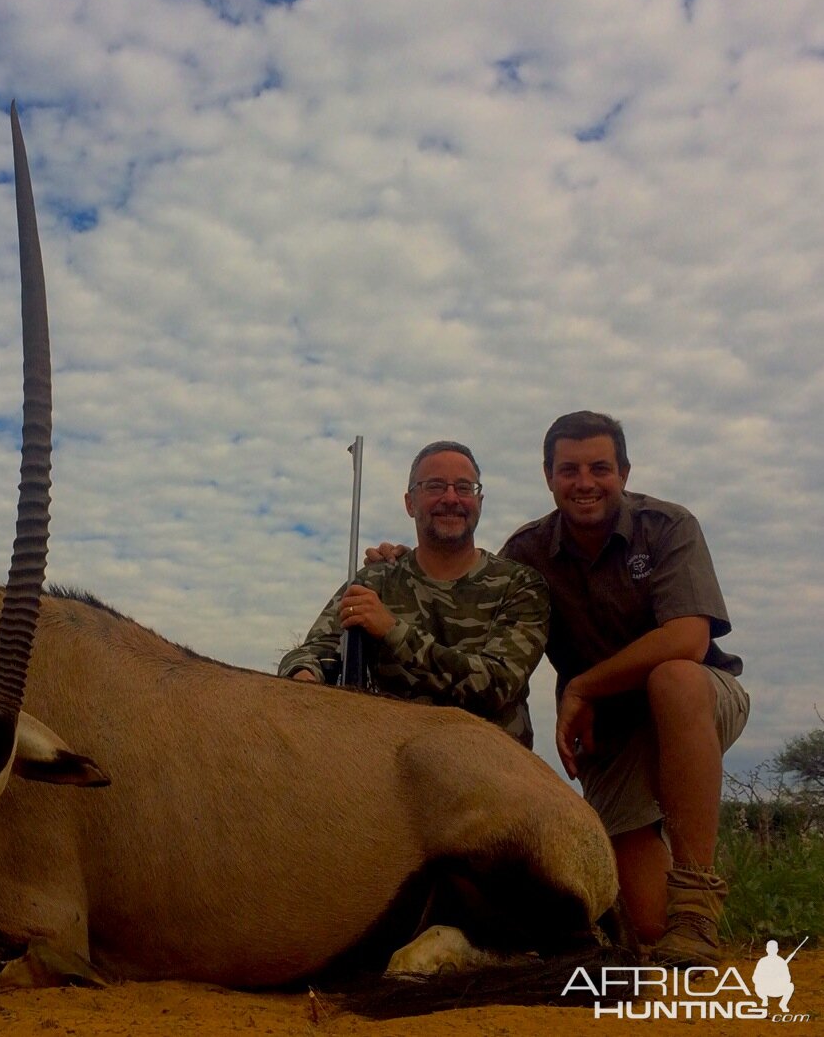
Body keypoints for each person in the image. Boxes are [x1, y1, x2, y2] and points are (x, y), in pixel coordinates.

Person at [498, 411, 749, 965]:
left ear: (625, 472)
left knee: (675, 678)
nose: (584, 482)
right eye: (569, 470)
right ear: (548, 477)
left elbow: (688, 637)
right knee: (648, 926)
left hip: (699, 698)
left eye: (599, 468)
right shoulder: (524, 553)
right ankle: (669, 915)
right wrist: (402, 566)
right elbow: (473, 603)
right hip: (612, 734)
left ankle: (697, 908)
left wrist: (582, 686)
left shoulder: (668, 525)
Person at [279, 440, 549, 748]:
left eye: (464, 487)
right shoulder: (374, 580)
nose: (451, 498)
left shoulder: (521, 585)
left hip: (494, 771)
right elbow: (313, 651)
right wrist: (304, 677)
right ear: (410, 503)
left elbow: (495, 684)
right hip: (391, 767)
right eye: (434, 486)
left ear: (480, 501)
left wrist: (392, 632)